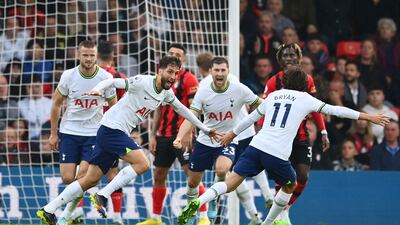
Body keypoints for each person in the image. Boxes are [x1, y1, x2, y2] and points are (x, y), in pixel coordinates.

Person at [177, 68, 390, 225]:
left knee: (231, 182)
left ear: (285, 81)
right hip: (277, 152)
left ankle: (198, 201)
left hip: (256, 146)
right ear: (304, 85)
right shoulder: (306, 98)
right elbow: (336, 110)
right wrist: (367, 116)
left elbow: (250, 118)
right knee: (291, 184)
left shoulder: (273, 96)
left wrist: (231, 134)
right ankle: (269, 223)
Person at [36, 55, 218, 225]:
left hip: (110, 131)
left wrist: (206, 129)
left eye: (176, 73)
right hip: (111, 130)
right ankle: (103, 195)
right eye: (169, 72)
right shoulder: (142, 81)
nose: (172, 77)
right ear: (159, 70)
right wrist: (98, 89)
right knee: (144, 163)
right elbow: (113, 81)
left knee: (90, 179)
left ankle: (48, 209)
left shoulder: (166, 94)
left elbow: (185, 111)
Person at [173, 57, 264, 225]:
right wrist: (179, 137)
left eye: (223, 70)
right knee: (193, 182)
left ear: (228, 72)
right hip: (205, 140)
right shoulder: (203, 91)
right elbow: (191, 117)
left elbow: (261, 105)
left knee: (222, 170)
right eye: (217, 70)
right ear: (211, 72)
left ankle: (214, 199)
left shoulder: (240, 89)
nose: (220, 73)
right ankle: (190, 210)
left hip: (227, 139)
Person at [45, 40, 118, 225]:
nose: (88, 59)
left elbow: (114, 106)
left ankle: (66, 216)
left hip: (94, 134)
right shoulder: (68, 76)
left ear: (96, 56)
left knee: (82, 176)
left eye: (92, 55)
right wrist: (53, 133)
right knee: (67, 177)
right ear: (79, 55)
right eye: (85, 55)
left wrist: (115, 131)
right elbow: (56, 104)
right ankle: (74, 213)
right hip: (69, 131)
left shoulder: (105, 77)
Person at [257, 42, 329, 224]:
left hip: (302, 136)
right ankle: (279, 215)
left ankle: (284, 207)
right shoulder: (274, 81)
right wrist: (260, 129)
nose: (289, 58)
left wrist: (323, 131)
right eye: (285, 55)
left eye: (292, 55)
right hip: (279, 137)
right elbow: (263, 108)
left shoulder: (308, 80)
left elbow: (315, 108)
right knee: (283, 177)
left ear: (299, 58)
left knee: (303, 176)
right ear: (280, 59)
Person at [137, 44, 207, 225]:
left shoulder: (189, 79)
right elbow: (158, 109)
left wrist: (190, 132)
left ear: (183, 59)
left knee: (192, 177)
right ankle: (156, 218)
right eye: (172, 54)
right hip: (164, 136)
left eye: (178, 55)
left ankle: (203, 217)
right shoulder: (160, 79)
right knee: (159, 175)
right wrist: (153, 134)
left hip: (182, 135)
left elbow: (193, 109)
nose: (175, 56)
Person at [96, 40, 128, 225]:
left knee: (85, 173)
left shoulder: (94, 75)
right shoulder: (119, 76)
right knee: (113, 174)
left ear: (97, 55)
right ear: (113, 55)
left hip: (93, 128)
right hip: (114, 128)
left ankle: (75, 213)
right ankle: (116, 216)